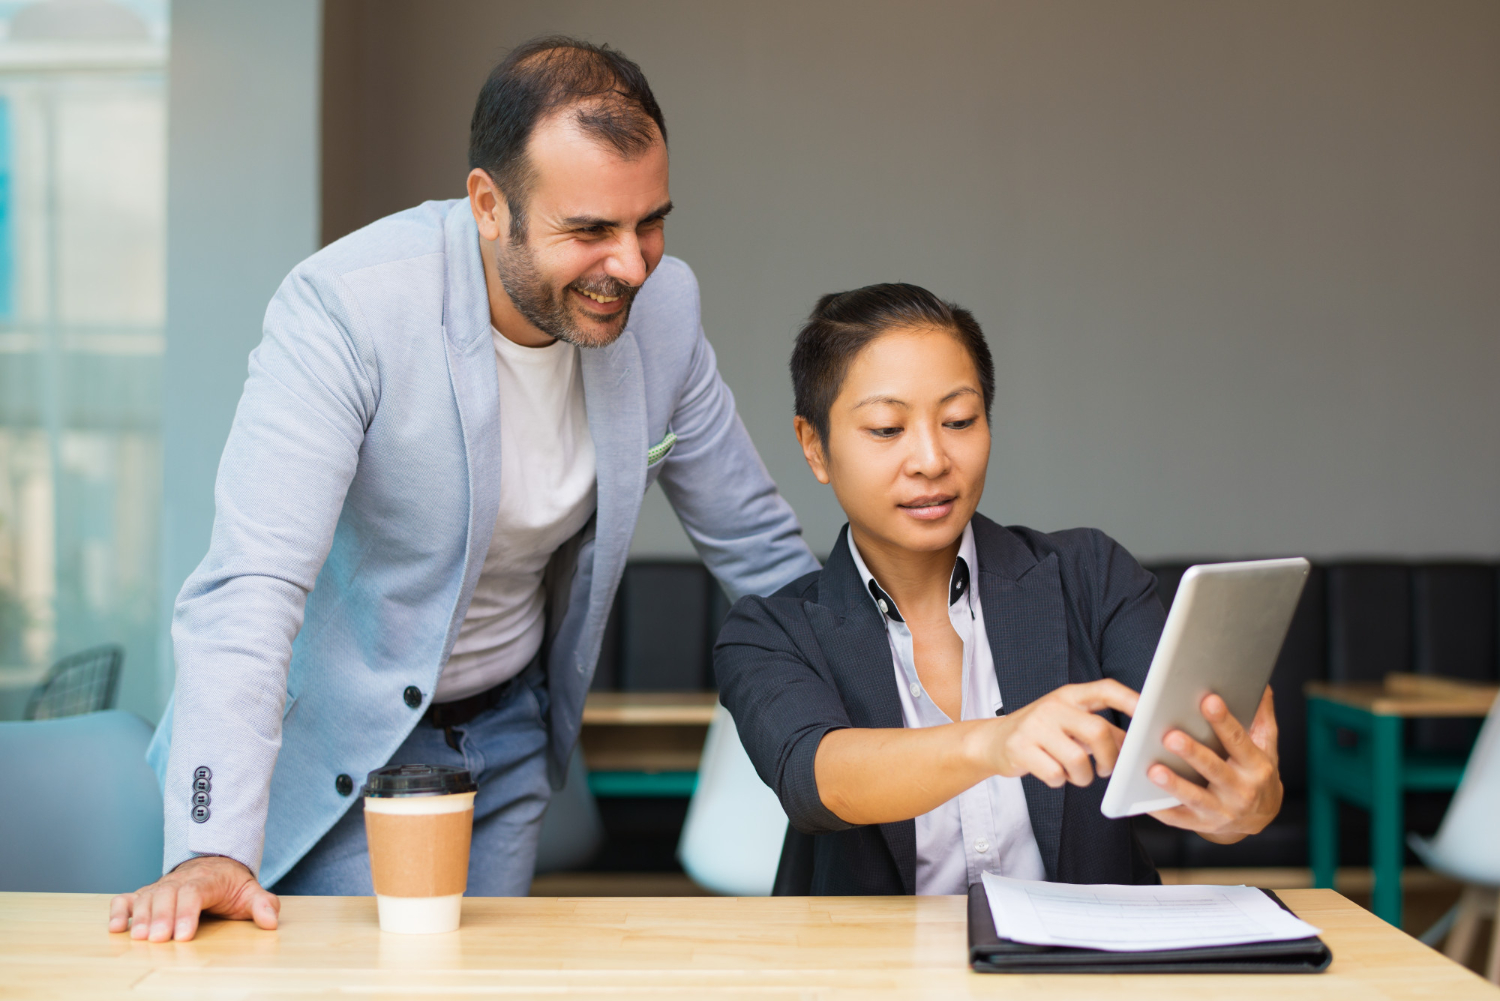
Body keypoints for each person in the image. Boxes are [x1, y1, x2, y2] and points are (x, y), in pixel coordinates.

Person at [110, 37, 818, 942]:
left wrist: (885, 711)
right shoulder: (349, 308)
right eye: (590, 230)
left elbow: (756, 543)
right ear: (490, 205)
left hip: (508, 737)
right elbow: (251, 584)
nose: (633, 266)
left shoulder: (663, 310)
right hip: (335, 743)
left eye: (650, 223)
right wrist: (209, 844)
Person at [715, 284, 1282, 894]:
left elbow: (1192, 769)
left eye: (960, 420)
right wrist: (996, 741)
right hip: (875, 981)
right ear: (814, 446)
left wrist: (1243, 805)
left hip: (1086, 976)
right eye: (886, 429)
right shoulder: (769, 632)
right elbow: (818, 778)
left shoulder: (1090, 575)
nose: (932, 459)